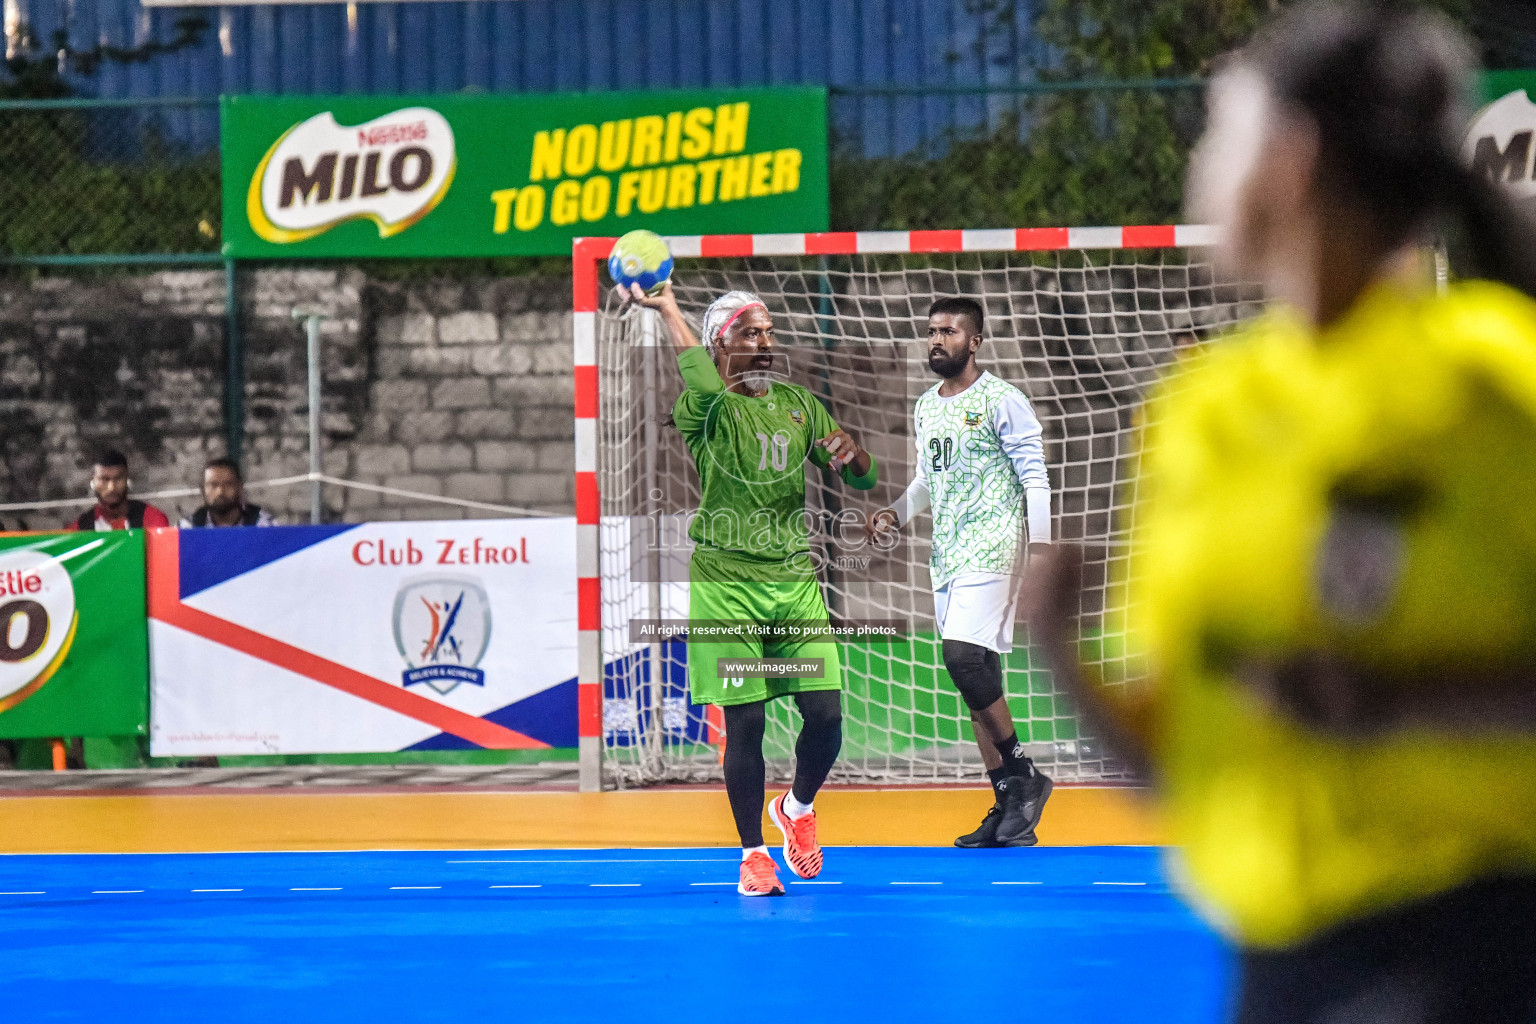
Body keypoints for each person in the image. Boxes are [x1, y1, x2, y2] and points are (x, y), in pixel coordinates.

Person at [1026, 4, 1536, 1022]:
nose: (1201, 163)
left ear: (1290, 160)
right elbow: (1180, 765)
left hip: (1474, 935)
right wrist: (1057, 646)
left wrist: (1403, 701)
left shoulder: (1491, 379)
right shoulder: (1203, 412)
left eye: (1222, 129)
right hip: (1280, 960)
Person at [620, 279, 878, 897]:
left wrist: (853, 454)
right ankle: (753, 855)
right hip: (725, 586)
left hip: (792, 583)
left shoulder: (799, 402)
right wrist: (669, 308)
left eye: (768, 332)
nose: (765, 343)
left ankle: (796, 808)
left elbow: (864, 480)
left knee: (826, 716)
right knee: (748, 726)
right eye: (749, 333)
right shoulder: (703, 406)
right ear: (720, 345)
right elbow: (705, 381)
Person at [869, 297, 1054, 848]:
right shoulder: (927, 405)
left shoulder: (1003, 399)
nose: (936, 340)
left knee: (962, 658)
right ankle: (1008, 809)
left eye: (949, 331)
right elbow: (929, 480)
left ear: (974, 341)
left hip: (995, 550)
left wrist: (1041, 550)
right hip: (946, 557)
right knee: (977, 685)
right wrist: (896, 515)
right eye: (931, 331)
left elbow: (1034, 477)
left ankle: (1025, 775)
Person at [69, 449, 170, 531]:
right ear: (93, 483)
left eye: (118, 479)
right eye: (104, 479)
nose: (111, 487)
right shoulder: (81, 528)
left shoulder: (152, 519)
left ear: (127, 480)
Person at [179, 457, 273, 528]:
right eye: (213, 485)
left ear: (239, 486)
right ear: (202, 489)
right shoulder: (188, 528)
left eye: (228, 484)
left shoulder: (264, 525)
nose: (220, 491)